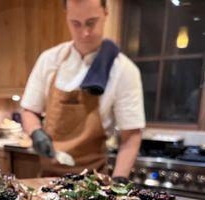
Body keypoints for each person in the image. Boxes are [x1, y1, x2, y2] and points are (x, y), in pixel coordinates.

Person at [21, 0, 145, 179]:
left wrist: (119, 181)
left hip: (93, 181)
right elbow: (29, 110)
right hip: (48, 179)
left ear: (106, 12)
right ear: (66, 16)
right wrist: (35, 132)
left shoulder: (124, 71)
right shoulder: (49, 60)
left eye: (91, 22)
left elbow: (131, 136)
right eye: (76, 24)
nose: (84, 33)